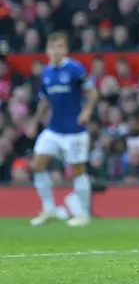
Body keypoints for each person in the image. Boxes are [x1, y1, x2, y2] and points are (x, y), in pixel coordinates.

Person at [30, 32, 99, 227]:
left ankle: (83, 214)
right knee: (37, 165)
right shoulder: (46, 73)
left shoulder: (75, 69)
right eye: (52, 47)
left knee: (77, 171)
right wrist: (35, 120)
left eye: (60, 46)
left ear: (65, 49)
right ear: (46, 50)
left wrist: (86, 111)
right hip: (53, 130)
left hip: (75, 131)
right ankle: (50, 209)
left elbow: (93, 93)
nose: (56, 50)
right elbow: (45, 101)